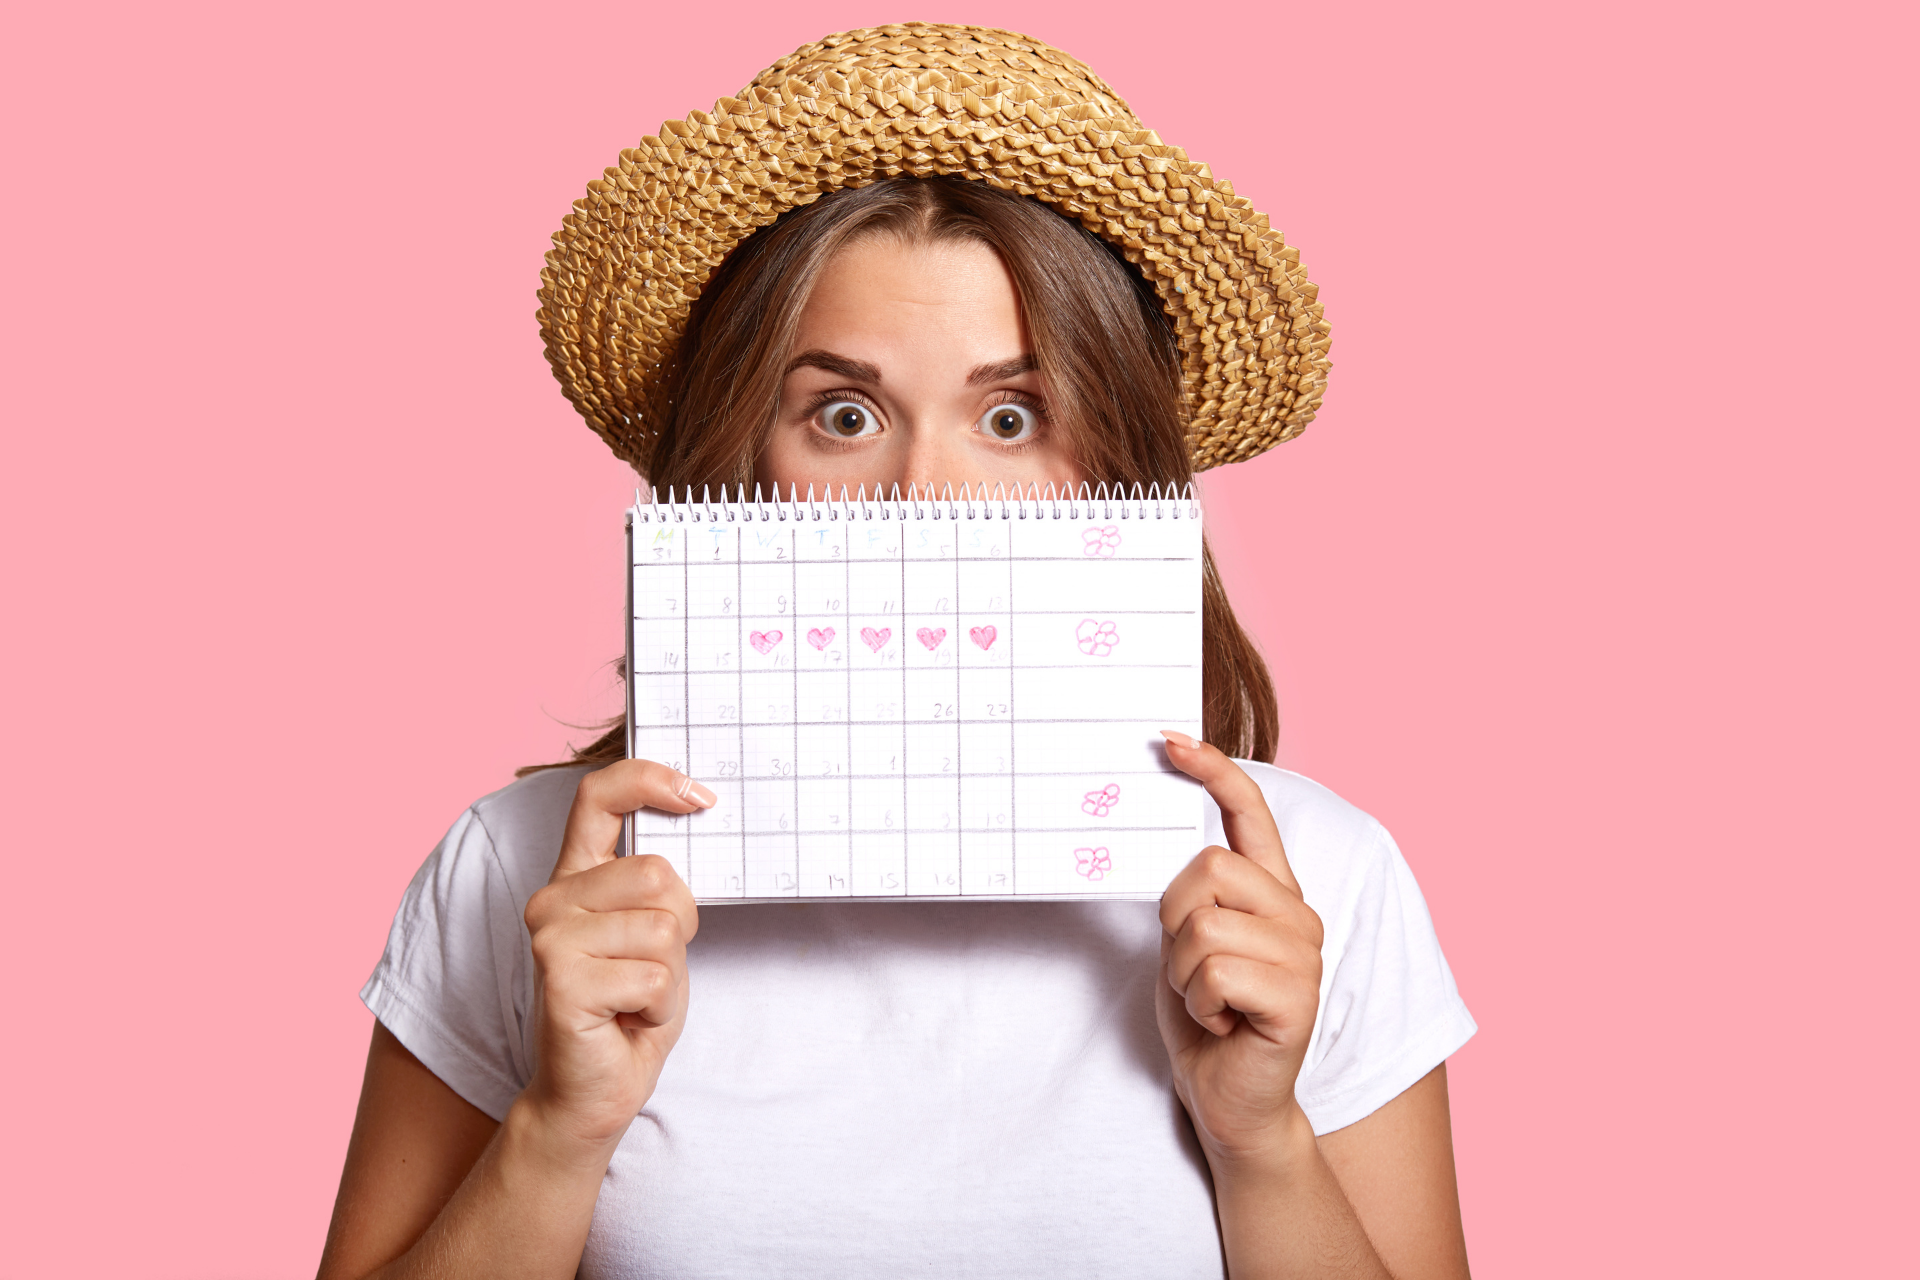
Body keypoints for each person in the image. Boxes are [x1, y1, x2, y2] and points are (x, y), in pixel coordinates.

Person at [318, 24, 1476, 1280]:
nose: (926, 492)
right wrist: (554, 1129)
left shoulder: (1319, 888)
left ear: (1122, 468)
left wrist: (1263, 1138)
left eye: (1013, 415)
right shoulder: (519, 880)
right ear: (740, 460)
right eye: (845, 414)